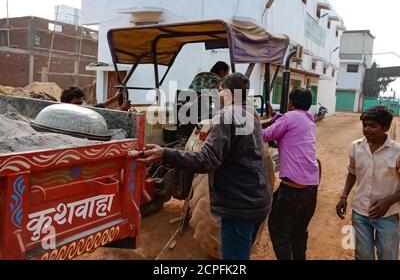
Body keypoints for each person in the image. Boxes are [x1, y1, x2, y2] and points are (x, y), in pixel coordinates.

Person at [131, 73, 272, 260]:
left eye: (220, 91)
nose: (218, 95)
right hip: (258, 201)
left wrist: (165, 153)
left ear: (228, 92)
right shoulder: (251, 113)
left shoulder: (225, 117)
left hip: (238, 207)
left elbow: (207, 160)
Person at [336, 106, 400, 260]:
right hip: (360, 213)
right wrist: (344, 196)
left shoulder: (397, 152)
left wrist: (388, 201)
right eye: (364, 125)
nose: (367, 129)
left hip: (388, 215)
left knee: (388, 255)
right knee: (363, 255)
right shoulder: (355, 147)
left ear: (385, 127)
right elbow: (352, 172)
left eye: (372, 126)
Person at [262, 88, 319, 260]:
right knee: (299, 232)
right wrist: (277, 117)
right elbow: (289, 126)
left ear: (291, 103)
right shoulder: (309, 120)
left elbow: (265, 135)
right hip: (310, 189)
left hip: (293, 188)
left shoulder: (290, 117)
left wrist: (246, 127)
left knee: (278, 231)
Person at [61, 87, 131, 111]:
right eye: (77, 104)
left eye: (81, 103)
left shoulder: (79, 110)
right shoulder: (68, 115)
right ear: (66, 104)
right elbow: (101, 116)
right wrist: (121, 109)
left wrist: (114, 98)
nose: (81, 106)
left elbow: (94, 109)